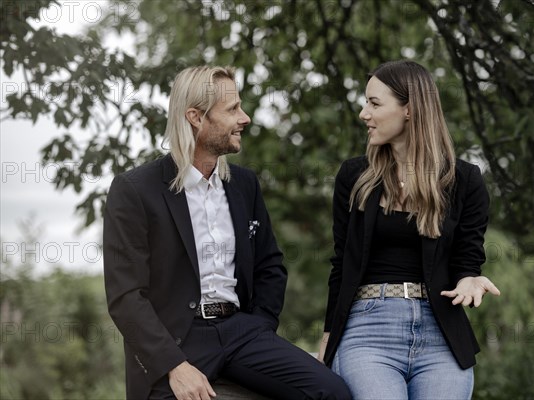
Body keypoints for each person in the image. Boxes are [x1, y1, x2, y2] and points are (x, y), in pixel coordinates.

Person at [104, 65, 351, 400]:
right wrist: (174, 366)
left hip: (242, 331)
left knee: (332, 392)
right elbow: (126, 297)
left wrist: (258, 327)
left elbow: (271, 267)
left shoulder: (244, 185)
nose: (245, 118)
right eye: (233, 109)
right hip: (176, 341)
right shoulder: (135, 190)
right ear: (195, 117)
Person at [317, 60, 501, 400]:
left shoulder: (465, 181)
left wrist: (468, 280)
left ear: (409, 110)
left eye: (374, 103)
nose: (363, 113)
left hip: (441, 333)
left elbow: (467, 259)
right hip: (367, 331)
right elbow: (341, 264)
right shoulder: (354, 177)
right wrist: (328, 339)